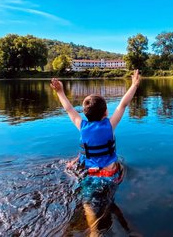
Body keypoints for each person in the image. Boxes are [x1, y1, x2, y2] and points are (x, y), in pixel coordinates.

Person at [50, 70, 140, 236]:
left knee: (88, 205)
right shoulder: (109, 125)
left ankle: (93, 230)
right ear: (105, 112)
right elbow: (123, 104)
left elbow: (69, 108)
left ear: (85, 113)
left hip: (90, 176)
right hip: (110, 175)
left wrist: (60, 91)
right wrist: (134, 84)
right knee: (109, 200)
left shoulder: (82, 126)